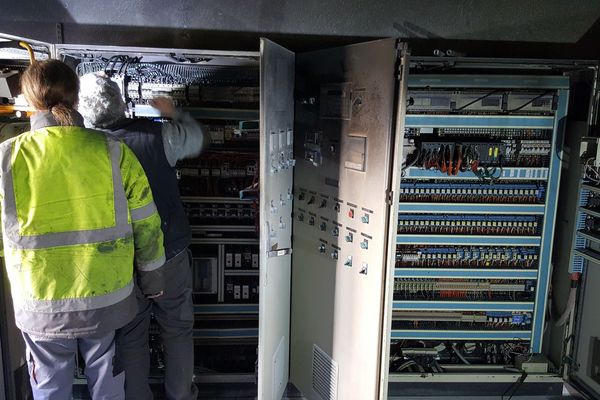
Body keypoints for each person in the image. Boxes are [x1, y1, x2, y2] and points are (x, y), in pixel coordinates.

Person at [0, 60, 166, 400]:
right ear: (76, 99)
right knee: (107, 381)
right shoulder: (114, 151)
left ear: (28, 100)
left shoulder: (5, 159)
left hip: (40, 302)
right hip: (105, 301)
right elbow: (147, 225)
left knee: (49, 387)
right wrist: (153, 281)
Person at [79, 72, 206, 400]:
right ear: (120, 101)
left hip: (121, 261)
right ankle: (180, 395)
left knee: (131, 337)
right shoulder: (159, 135)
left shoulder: (86, 149)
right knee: (177, 330)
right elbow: (197, 139)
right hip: (169, 253)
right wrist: (172, 112)